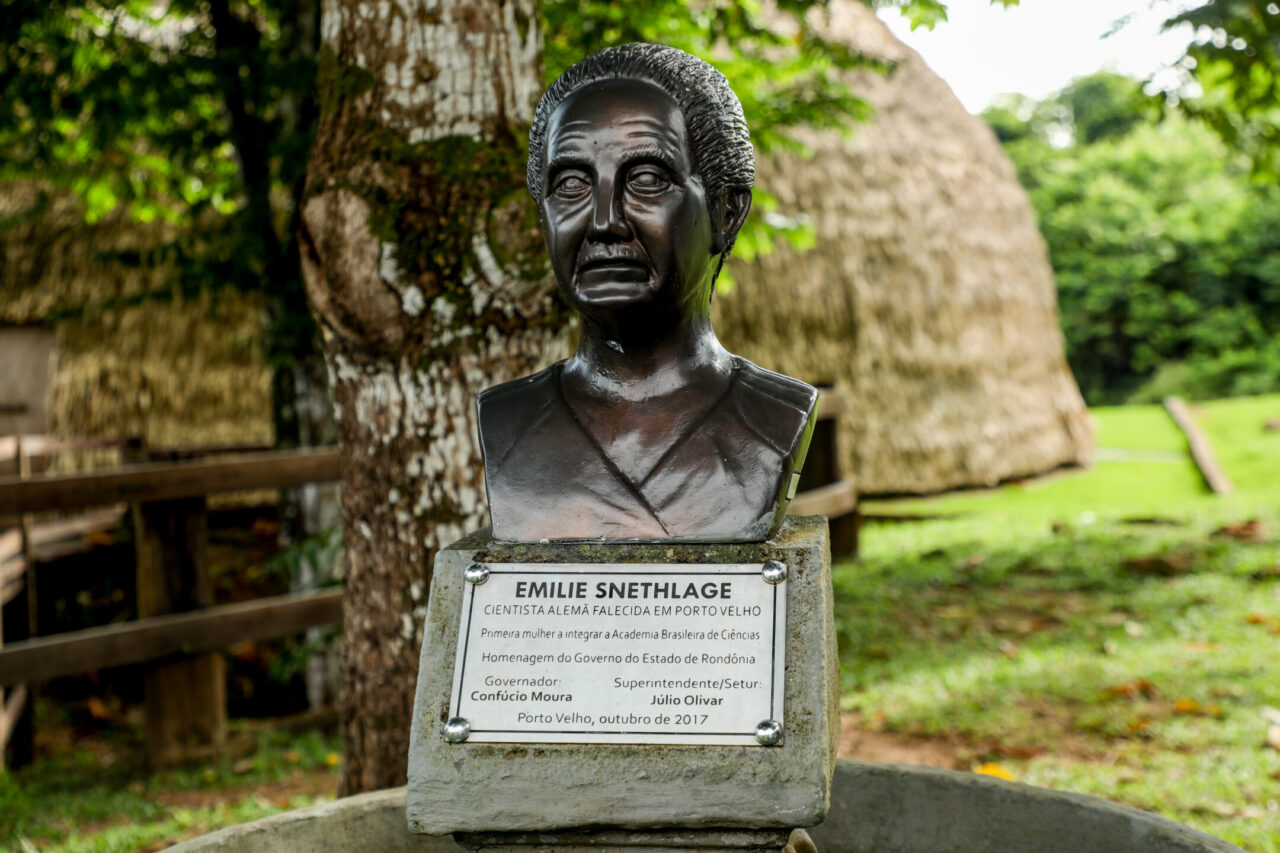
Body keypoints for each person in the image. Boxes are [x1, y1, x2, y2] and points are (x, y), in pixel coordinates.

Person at [479, 43, 817, 542]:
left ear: (726, 213)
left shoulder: (773, 420)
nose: (603, 222)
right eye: (571, 184)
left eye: (647, 179)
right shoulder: (506, 422)